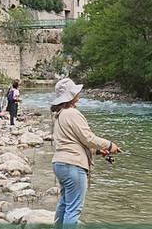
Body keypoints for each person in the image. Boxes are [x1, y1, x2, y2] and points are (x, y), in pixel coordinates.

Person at [50, 78, 120, 226]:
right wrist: (109, 145)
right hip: (73, 166)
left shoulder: (60, 115)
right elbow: (88, 138)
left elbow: (74, 141)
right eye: (75, 91)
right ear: (70, 96)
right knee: (73, 209)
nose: (78, 92)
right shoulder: (72, 113)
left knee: (64, 203)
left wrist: (98, 151)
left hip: (60, 164)